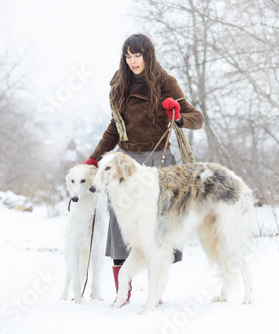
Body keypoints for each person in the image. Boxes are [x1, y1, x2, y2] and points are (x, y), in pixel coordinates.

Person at [83, 33, 204, 305]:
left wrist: (178, 115)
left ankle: (154, 293)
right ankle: (122, 292)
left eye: (137, 55)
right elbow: (115, 127)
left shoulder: (166, 83)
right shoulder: (119, 83)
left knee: (156, 228)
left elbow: (198, 118)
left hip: (158, 162)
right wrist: (95, 158)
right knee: (119, 224)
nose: (132, 61)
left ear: (148, 55)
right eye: (128, 55)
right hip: (125, 162)